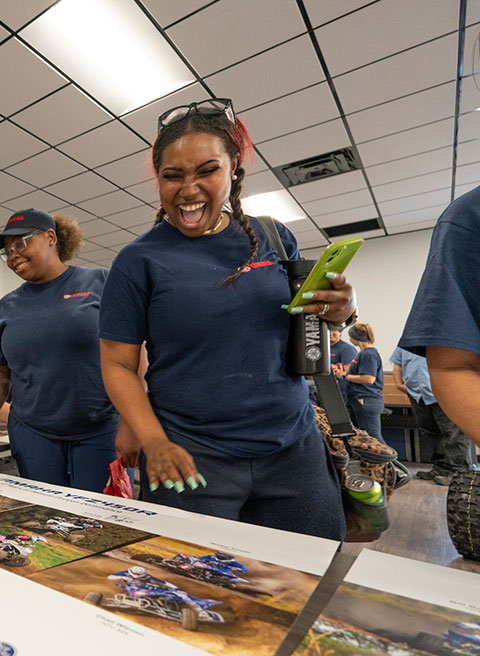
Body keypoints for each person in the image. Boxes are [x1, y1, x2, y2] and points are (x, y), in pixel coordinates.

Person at [98, 98, 357, 540]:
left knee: (306, 581)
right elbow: (118, 365)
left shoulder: (276, 236)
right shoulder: (138, 260)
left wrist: (342, 311)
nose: (189, 188)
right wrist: (154, 440)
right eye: (172, 175)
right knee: (197, 590)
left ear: (234, 169)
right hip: (190, 456)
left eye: (207, 170)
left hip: (293, 450)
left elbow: (310, 319)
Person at [0, 209, 121, 492]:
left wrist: (133, 418)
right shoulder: (7, 307)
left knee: (99, 523)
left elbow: (132, 348)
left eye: (21, 244)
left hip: (99, 430)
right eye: (7, 252)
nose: (13, 256)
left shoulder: (100, 283)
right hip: (34, 434)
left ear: (50, 237)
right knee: (45, 520)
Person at [399, 185, 480, 472]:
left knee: (453, 437)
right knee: (435, 434)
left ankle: (456, 469)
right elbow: (453, 367)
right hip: (423, 393)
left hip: (431, 393)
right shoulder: (468, 216)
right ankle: (443, 468)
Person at [390, 346, 471, 485]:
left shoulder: (442, 339)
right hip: (417, 394)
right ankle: (439, 468)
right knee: (430, 432)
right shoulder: (405, 343)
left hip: (444, 392)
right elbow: (398, 364)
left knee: (453, 432)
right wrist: (398, 383)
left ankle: (458, 473)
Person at [337, 323, 386, 443]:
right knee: (364, 438)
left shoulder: (368, 354)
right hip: (359, 398)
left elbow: (369, 379)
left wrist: (345, 376)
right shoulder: (363, 353)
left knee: (373, 439)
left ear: (354, 338)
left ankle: (388, 461)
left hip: (366, 399)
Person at [330, 328, 357, 402]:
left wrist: (332, 367)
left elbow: (350, 368)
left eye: (333, 330)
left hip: (342, 392)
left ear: (340, 332)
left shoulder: (347, 349)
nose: (330, 333)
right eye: (328, 331)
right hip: (325, 390)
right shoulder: (321, 348)